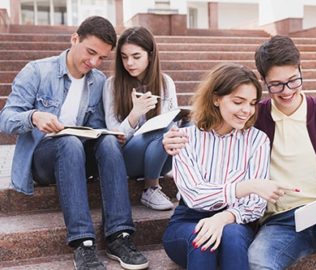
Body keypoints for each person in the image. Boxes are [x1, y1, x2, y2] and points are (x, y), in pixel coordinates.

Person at [163, 36, 316, 270]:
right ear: (264, 82)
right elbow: (216, 122)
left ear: (300, 71)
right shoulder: (254, 118)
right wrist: (168, 140)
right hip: (279, 223)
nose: (287, 91)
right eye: (276, 84)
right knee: (255, 261)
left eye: (293, 81)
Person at [0, 16, 148, 270]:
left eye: (101, 57)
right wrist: (34, 116)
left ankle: (119, 236)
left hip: (79, 155)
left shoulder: (98, 80)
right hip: (43, 160)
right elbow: (6, 119)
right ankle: (83, 244)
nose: (93, 62)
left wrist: (111, 134)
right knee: (68, 142)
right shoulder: (37, 71)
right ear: (74, 39)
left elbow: (98, 127)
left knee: (109, 142)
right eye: (90, 52)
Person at [162, 63, 296, 270]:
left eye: (252, 103)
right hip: (188, 220)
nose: (247, 110)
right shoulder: (184, 137)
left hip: (236, 220)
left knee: (232, 235)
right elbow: (194, 195)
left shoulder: (257, 140)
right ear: (216, 98)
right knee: (202, 240)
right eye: (238, 101)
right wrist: (247, 186)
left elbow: (255, 204)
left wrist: (224, 217)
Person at [103, 26, 175, 211]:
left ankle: (190, 183)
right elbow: (115, 136)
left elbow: (171, 125)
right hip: (128, 158)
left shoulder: (165, 82)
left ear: (150, 56)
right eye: (124, 57)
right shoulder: (112, 85)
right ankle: (151, 188)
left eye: (136, 56)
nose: (129, 63)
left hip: (161, 159)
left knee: (179, 127)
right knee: (162, 131)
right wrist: (135, 114)